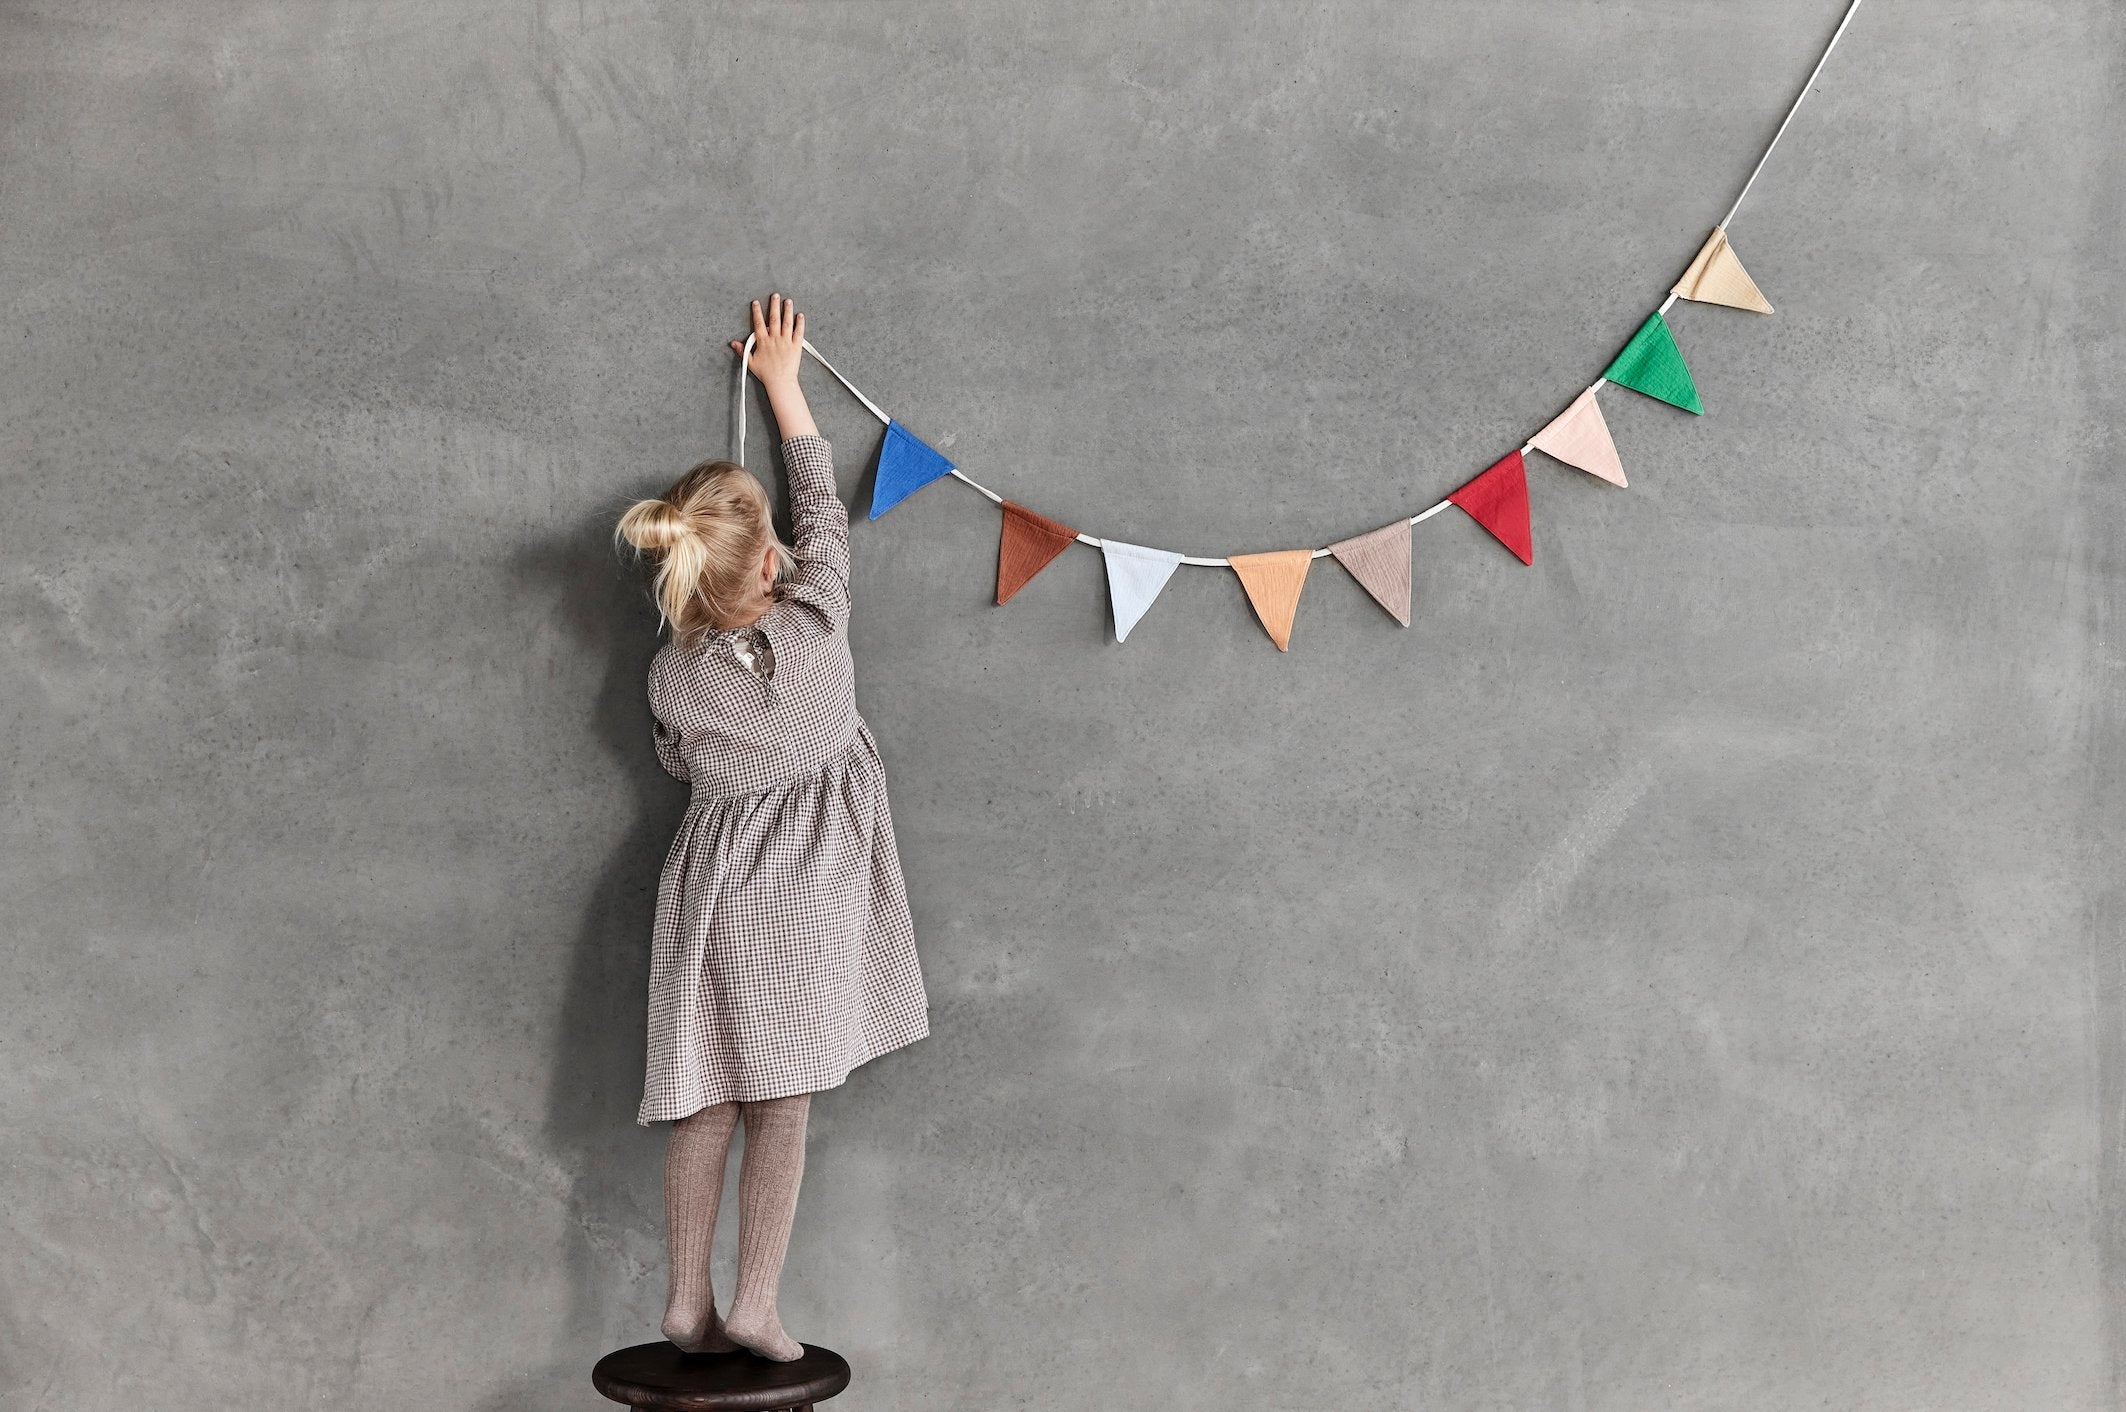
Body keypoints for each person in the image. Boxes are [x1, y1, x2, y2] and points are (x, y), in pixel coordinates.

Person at [612, 294, 930, 1361]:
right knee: (780, 1105)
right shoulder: (821, 618)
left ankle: (681, 1297)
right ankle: (752, 1300)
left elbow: (672, 761)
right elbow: (823, 511)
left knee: (705, 1097)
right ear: (769, 566)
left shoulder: (670, 673)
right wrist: (783, 382)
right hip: (802, 896)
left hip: (709, 893)